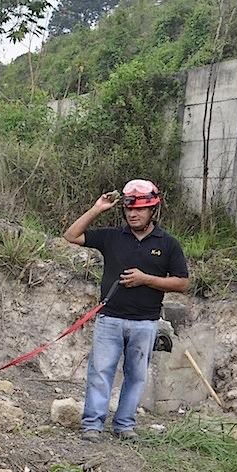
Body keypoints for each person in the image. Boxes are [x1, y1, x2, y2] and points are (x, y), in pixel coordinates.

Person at [63, 179, 189, 442]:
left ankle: (124, 425)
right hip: (110, 319)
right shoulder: (112, 237)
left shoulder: (167, 243)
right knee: (100, 373)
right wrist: (97, 209)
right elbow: (71, 236)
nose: (133, 213)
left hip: (146, 322)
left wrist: (146, 279)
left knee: (136, 376)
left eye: (140, 209)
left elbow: (182, 283)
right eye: (129, 208)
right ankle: (92, 425)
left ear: (152, 210)